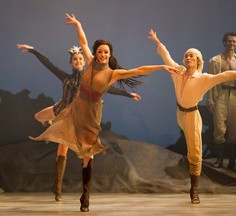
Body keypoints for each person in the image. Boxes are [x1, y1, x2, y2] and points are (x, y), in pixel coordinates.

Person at [29, 13, 178, 212]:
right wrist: (78, 24)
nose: (102, 55)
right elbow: (83, 41)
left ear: (110, 54)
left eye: (106, 52)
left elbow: (140, 69)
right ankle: (58, 185)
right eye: (100, 51)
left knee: (88, 154)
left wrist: (161, 66)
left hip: (92, 113)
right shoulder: (89, 62)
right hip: (76, 107)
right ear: (96, 53)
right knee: (62, 138)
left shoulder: (113, 74)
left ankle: (86, 194)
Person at [148, 29, 236, 204]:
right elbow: (166, 56)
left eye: (192, 56)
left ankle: (194, 190)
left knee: (194, 153)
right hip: (180, 113)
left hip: (192, 115)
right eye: (186, 55)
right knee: (187, 146)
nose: (188, 58)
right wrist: (157, 41)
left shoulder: (203, 78)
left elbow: (223, 76)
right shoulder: (177, 71)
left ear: (198, 60)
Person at [17, 44, 142, 202]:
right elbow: (48, 64)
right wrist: (33, 50)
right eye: (75, 59)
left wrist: (128, 94)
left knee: (72, 149)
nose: (77, 61)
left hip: (78, 115)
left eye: (80, 59)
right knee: (40, 119)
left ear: (84, 62)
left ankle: (69, 190)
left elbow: (108, 89)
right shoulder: (65, 76)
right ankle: (58, 186)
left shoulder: (89, 77)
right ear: (71, 63)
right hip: (62, 108)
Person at [206, 32, 236, 172]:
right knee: (219, 127)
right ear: (224, 43)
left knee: (234, 129)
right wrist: (210, 100)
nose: (232, 44)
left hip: (235, 94)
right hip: (220, 94)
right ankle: (219, 160)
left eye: (234, 42)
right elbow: (210, 81)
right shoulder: (215, 61)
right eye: (229, 41)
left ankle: (232, 162)